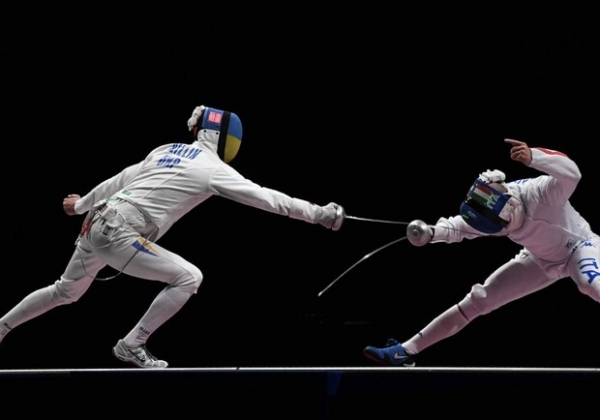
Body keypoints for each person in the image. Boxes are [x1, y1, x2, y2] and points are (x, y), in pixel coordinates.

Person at [0, 104, 345, 368]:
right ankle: (132, 344)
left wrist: (80, 206)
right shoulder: (212, 169)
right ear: (223, 138)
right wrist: (319, 214)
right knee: (188, 277)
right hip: (120, 231)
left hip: (96, 222)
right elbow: (266, 198)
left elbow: (120, 179)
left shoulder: (167, 150)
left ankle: (2, 327)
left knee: (65, 291)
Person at [363, 138, 599, 366]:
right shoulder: (490, 215)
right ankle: (405, 352)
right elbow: (457, 227)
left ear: (511, 203)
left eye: (505, 224)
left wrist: (534, 156)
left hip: (581, 247)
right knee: (480, 299)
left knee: (590, 283)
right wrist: (430, 234)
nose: (504, 229)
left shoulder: (541, 192)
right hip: (539, 259)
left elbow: (572, 174)